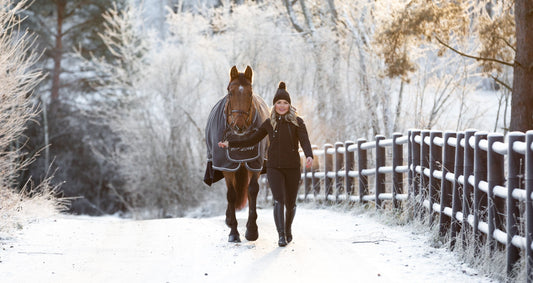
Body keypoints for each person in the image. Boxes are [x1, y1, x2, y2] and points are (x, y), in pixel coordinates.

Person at [219, 82, 314, 247]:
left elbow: (305, 141)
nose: (282, 106)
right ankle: (281, 236)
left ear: (289, 105)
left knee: (290, 203)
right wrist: (231, 144)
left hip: (292, 167)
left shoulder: (298, 122)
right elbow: (251, 139)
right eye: (279, 103)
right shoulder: (269, 123)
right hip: (274, 168)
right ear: (275, 105)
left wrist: (309, 155)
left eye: (285, 103)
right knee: (279, 200)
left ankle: (288, 229)